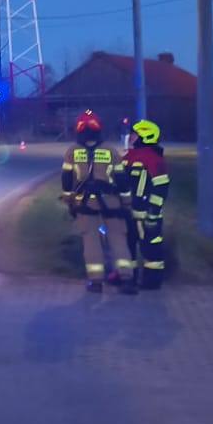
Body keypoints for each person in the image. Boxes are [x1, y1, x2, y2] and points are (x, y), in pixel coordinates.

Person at [61, 110, 136, 293]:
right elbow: (122, 180)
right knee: (118, 238)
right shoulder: (110, 151)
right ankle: (126, 278)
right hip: (111, 201)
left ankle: (96, 282)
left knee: (91, 241)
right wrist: (126, 203)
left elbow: (67, 179)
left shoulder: (72, 151)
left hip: (84, 203)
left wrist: (70, 200)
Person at [117, 119, 171, 290]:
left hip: (147, 214)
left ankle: (152, 281)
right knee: (127, 247)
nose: (131, 137)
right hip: (128, 211)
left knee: (151, 248)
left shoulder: (154, 159)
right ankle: (128, 278)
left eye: (134, 134)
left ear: (145, 136)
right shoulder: (129, 156)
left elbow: (161, 188)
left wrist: (153, 213)